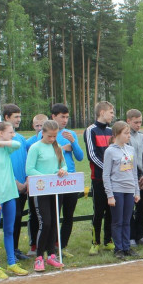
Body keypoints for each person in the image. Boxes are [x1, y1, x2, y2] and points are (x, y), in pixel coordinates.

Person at [0, 121, 30, 279]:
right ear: (0, 133)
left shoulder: (7, 148)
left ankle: (11, 263)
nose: (13, 134)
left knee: (9, 230)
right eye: (10, 132)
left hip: (10, 194)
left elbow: (17, 144)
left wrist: (0, 142)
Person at [24, 119, 67, 272]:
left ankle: (52, 255)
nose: (52, 139)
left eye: (55, 136)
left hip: (55, 190)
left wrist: (62, 171)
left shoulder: (58, 147)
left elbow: (63, 165)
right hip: (41, 189)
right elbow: (29, 169)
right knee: (45, 222)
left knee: (55, 222)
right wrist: (45, 177)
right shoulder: (35, 148)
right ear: (43, 133)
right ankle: (39, 257)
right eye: (49, 136)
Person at [49, 103, 85, 253]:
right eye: (62, 117)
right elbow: (46, 154)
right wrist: (63, 149)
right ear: (53, 117)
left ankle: (62, 246)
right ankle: (51, 245)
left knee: (68, 215)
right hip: (54, 179)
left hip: (70, 179)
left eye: (67, 117)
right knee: (53, 216)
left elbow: (80, 157)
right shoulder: (46, 133)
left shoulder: (70, 134)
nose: (65, 120)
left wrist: (73, 142)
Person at [103, 120, 140, 259]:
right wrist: (110, 195)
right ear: (117, 134)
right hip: (117, 189)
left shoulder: (130, 149)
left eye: (129, 133)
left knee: (127, 220)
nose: (129, 136)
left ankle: (126, 247)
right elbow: (106, 174)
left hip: (129, 189)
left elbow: (134, 171)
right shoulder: (110, 151)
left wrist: (136, 191)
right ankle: (118, 248)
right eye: (126, 133)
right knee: (117, 221)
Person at [84, 101, 115, 255]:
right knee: (99, 211)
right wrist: (107, 170)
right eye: (111, 112)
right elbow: (92, 155)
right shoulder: (90, 130)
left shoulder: (111, 131)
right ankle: (95, 242)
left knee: (111, 210)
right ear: (102, 112)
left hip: (113, 179)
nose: (113, 115)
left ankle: (108, 240)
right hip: (99, 179)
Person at [2, 104, 30, 261]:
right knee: (12, 217)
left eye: (20, 116)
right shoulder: (1, 142)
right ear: (7, 118)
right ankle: (10, 250)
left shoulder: (20, 139)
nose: (19, 120)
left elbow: (25, 160)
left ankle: (15, 248)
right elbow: (3, 166)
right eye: (16, 117)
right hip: (10, 186)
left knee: (18, 218)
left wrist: (26, 179)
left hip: (23, 186)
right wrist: (15, 182)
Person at [24, 113, 49, 255]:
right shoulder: (29, 143)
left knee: (49, 216)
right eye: (37, 125)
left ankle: (50, 245)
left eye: (42, 125)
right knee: (33, 214)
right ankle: (33, 245)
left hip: (49, 184)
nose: (39, 128)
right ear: (33, 126)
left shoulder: (52, 142)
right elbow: (28, 165)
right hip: (35, 183)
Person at [126, 109, 143, 247]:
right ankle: (131, 236)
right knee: (130, 209)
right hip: (130, 176)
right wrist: (136, 176)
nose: (138, 125)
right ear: (128, 121)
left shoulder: (142, 137)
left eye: (140, 122)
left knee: (142, 208)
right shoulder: (125, 137)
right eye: (136, 122)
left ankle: (140, 235)